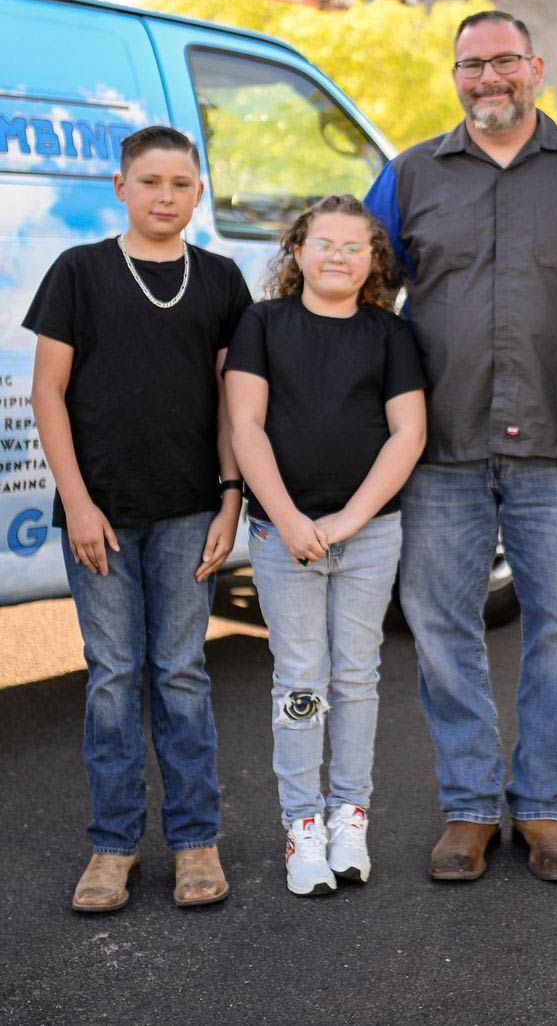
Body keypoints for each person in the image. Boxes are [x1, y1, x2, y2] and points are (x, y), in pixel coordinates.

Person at [364, 10, 557, 883]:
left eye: (504, 61)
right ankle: (470, 808)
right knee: (441, 627)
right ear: (455, 77)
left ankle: (545, 809)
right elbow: (360, 289)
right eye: (471, 65)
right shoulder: (409, 175)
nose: (488, 79)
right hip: (441, 443)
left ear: (536, 68)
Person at [25, 125, 250, 912]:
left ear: (198, 192)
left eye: (180, 184)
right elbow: (47, 393)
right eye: (150, 182)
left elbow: (233, 402)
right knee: (114, 677)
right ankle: (112, 847)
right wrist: (78, 504)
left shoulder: (221, 281)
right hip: (101, 516)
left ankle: (195, 841)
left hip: (191, 509)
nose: (165, 196)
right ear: (120, 188)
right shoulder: (79, 273)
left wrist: (232, 497)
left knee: (182, 674)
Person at [225, 195, 426, 897]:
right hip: (283, 537)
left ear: (373, 262)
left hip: (370, 535)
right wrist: (285, 518)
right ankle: (302, 825)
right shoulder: (263, 323)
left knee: (357, 677)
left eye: (353, 246)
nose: (336, 255)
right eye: (323, 242)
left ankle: (350, 817)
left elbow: (407, 433)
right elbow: (246, 426)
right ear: (297, 251)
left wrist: (346, 520)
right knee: (300, 679)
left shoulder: (388, 333)